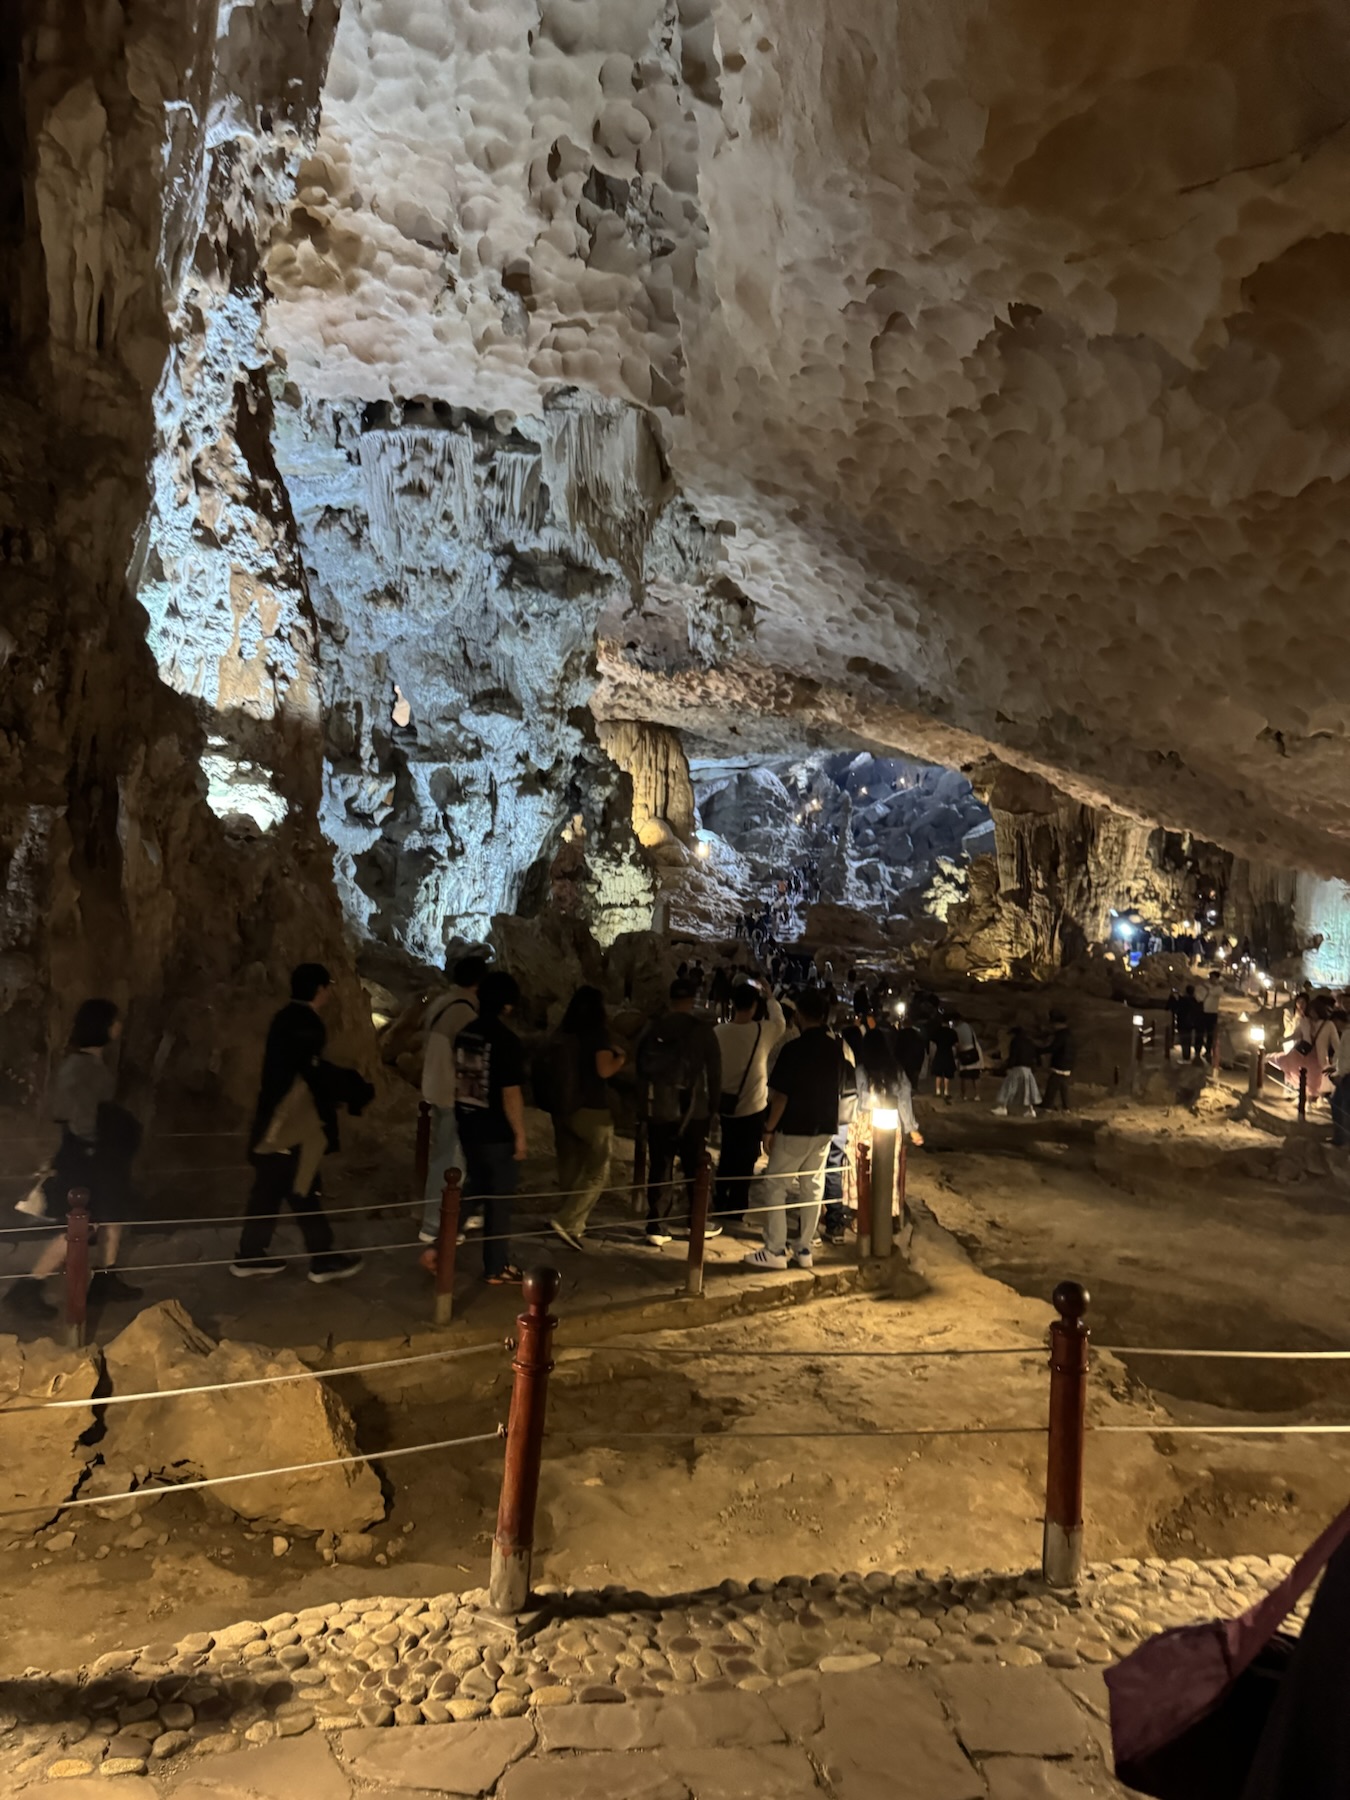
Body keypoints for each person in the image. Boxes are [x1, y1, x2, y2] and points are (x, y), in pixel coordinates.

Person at [232, 964, 368, 1283]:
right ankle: (321, 1259)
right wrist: (351, 1089)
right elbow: (311, 1074)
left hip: (274, 1119)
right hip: (292, 1124)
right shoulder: (306, 1024)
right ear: (319, 990)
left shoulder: (283, 1018)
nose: (330, 992)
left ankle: (250, 1253)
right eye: (328, 987)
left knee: (270, 1189)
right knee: (302, 1187)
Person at [7, 1000, 142, 1318]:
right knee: (81, 1225)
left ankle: (106, 1278)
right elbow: (80, 1117)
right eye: (114, 1021)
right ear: (103, 1026)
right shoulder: (81, 1067)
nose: (119, 1027)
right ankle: (28, 1286)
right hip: (87, 1155)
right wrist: (97, 1140)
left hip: (97, 1153)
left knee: (112, 1216)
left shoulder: (88, 1064)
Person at [742, 988, 855, 1272]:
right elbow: (840, 1088)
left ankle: (775, 1249)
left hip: (794, 1127)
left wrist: (769, 1129)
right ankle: (804, 1248)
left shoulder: (794, 1049)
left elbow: (780, 1096)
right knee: (812, 1187)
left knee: (776, 1186)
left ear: (801, 1015)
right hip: (825, 1128)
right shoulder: (835, 1048)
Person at [453, 970, 528, 1283]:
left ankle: (440, 1247)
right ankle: (496, 1267)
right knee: (498, 1201)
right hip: (497, 1132)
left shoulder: (466, 1033)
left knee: (474, 1189)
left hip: (469, 1123)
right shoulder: (506, 1041)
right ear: (507, 1006)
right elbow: (510, 1093)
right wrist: (520, 1136)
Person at [636, 980, 722, 1244]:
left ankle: (656, 1224)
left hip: (660, 1107)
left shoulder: (653, 1028)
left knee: (660, 1164)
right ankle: (696, 1221)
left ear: (670, 998)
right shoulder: (703, 1031)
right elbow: (715, 1073)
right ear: (693, 1000)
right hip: (693, 1111)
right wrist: (713, 1110)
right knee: (696, 1167)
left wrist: (642, 1109)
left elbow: (641, 1068)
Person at [543, 986, 625, 1250]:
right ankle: (567, 1220)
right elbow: (603, 1070)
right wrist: (621, 1058)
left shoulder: (563, 1032)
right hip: (592, 1111)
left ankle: (569, 1220)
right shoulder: (597, 1034)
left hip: (562, 1108)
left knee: (570, 1165)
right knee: (597, 1171)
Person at [418, 955, 485, 1244]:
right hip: (452, 1094)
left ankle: (458, 1213)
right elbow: (470, 1063)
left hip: (434, 1086)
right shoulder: (465, 1013)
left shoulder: (442, 1002)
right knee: (450, 1161)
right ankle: (435, 1224)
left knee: (450, 1156)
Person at [713, 979, 786, 1221]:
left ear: (733, 1004)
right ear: (754, 1006)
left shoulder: (718, 1032)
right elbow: (781, 1023)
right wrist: (771, 997)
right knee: (746, 1161)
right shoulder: (761, 1031)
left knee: (727, 1154)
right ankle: (736, 1208)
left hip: (726, 1105)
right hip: (753, 1108)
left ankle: (719, 1201)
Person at [993, 1023, 1041, 1117]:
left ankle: (1003, 1108)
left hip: (1018, 1068)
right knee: (1028, 1089)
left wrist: (1008, 1066)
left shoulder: (1016, 1041)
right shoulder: (1030, 1042)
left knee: (1008, 1087)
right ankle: (1031, 1110)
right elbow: (1036, 1054)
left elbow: (1013, 1056)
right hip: (1028, 1069)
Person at [1041, 1010, 1075, 1111]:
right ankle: (1066, 1107)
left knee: (1052, 1085)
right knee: (1063, 1086)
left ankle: (1047, 1105)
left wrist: (1040, 1050)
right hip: (1067, 1064)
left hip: (1060, 1065)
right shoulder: (1069, 1034)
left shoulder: (1061, 1035)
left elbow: (1054, 1048)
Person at [928, 1012, 957, 1102]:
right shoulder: (952, 1032)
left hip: (939, 1053)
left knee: (938, 1074)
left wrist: (931, 1056)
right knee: (947, 1074)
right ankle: (946, 1091)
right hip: (948, 1053)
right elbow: (956, 1045)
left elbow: (932, 1043)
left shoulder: (937, 1031)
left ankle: (937, 1091)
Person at [953, 1011, 982, 1100]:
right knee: (975, 1077)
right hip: (973, 1052)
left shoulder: (956, 1030)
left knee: (964, 1076)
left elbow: (957, 1044)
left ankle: (963, 1095)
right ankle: (977, 1095)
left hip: (964, 1053)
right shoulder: (969, 1027)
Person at [1176, 982, 1203, 1062]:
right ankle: (1187, 1055)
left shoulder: (1182, 1000)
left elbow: (1175, 1008)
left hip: (1182, 1022)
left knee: (1184, 1040)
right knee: (1188, 1038)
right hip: (1191, 1023)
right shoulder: (1195, 1001)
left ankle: (1186, 1056)